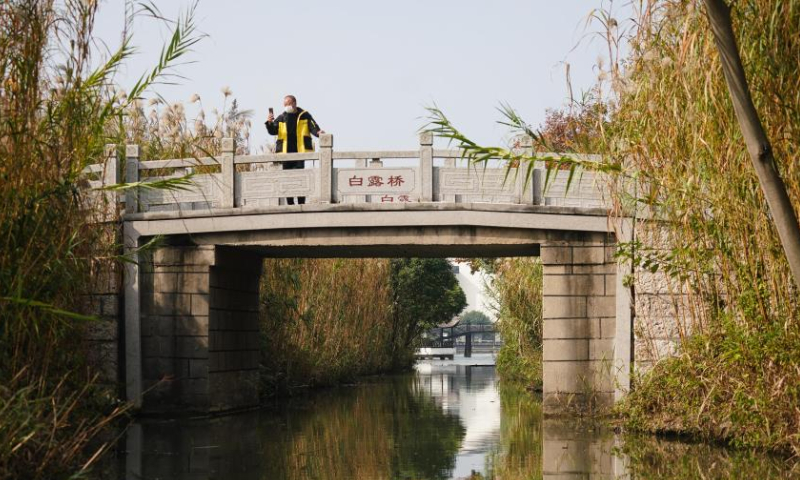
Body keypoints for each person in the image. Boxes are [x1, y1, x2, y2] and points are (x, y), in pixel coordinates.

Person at [265, 95, 325, 205]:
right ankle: (290, 203)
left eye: (288, 104)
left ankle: (301, 202)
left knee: (300, 178)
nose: (286, 107)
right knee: (287, 179)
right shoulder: (282, 117)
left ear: (294, 103)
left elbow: (313, 127)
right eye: (284, 105)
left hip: (300, 152)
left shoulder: (304, 115)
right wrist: (269, 123)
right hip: (285, 153)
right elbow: (273, 131)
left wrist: (318, 132)